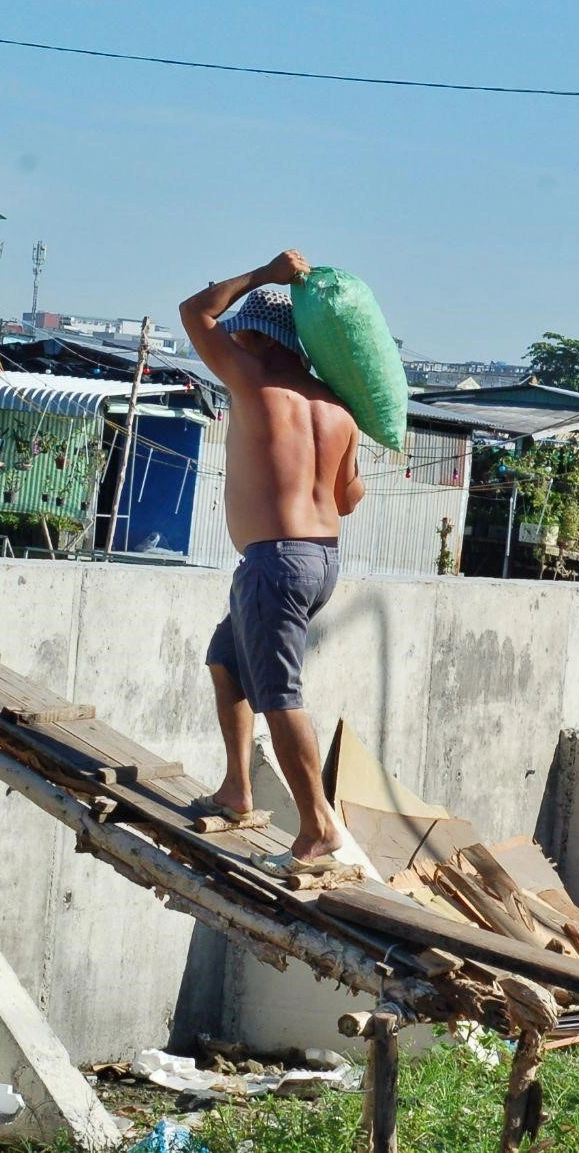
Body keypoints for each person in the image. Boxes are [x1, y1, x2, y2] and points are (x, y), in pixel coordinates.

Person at [180, 251, 368, 875]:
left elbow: (194, 311)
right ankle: (237, 788)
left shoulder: (252, 381)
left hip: (276, 564)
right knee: (225, 659)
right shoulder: (338, 409)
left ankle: (317, 825)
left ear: (259, 336)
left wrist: (263, 274)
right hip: (321, 559)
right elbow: (349, 496)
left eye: (243, 331)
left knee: (282, 693)